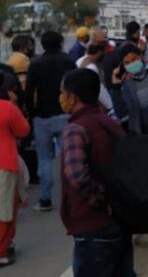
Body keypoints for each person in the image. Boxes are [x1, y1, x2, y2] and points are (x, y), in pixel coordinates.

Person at [59, 69, 134, 277]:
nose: (61, 98)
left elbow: (77, 175)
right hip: (120, 221)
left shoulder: (76, 128)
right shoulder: (110, 123)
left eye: (62, 93)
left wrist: (101, 201)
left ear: (73, 97)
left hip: (92, 225)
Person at [24, 31, 76, 212]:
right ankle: (72, 198)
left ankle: (45, 199)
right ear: (61, 42)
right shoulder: (68, 61)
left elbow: (29, 92)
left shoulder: (36, 63)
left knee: (44, 159)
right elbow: (75, 85)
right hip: (65, 114)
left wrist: (32, 114)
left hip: (43, 117)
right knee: (68, 157)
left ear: (42, 45)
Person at [0, 73, 30, 267]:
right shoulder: (7, 108)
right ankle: (2, 249)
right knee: (4, 208)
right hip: (4, 162)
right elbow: (23, 130)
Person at [77, 44, 114, 115]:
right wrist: (110, 105)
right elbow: (99, 88)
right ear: (96, 54)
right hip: (93, 99)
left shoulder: (80, 60)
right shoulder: (92, 67)